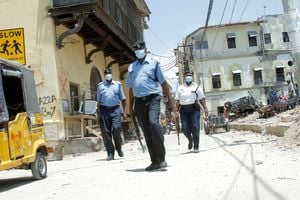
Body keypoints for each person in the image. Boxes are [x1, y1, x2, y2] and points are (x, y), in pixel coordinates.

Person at [126, 40, 174, 171]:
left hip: (153, 98)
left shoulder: (154, 64)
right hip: (139, 102)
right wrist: (130, 107)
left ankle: (161, 157)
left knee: (154, 124)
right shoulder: (132, 67)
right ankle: (155, 161)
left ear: (145, 49)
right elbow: (130, 88)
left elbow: (163, 83)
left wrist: (170, 100)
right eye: (135, 50)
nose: (138, 51)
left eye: (140, 49)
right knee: (146, 132)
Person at [96, 68, 126, 161]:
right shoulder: (100, 86)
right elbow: (98, 101)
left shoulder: (118, 85)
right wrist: (98, 113)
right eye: (106, 73)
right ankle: (110, 153)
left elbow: (123, 99)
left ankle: (119, 148)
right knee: (106, 133)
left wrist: (124, 112)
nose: (108, 74)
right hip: (104, 110)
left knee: (116, 130)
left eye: (109, 73)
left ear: (111, 74)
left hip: (116, 110)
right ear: (104, 75)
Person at [175, 70, 208, 153]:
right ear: (184, 77)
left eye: (190, 75)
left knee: (195, 127)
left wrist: (205, 108)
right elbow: (177, 100)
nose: (188, 77)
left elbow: (201, 98)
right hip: (183, 110)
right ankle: (190, 139)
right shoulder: (180, 88)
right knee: (185, 128)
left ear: (192, 77)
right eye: (187, 75)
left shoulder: (196, 87)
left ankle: (196, 146)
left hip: (194, 109)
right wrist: (176, 111)